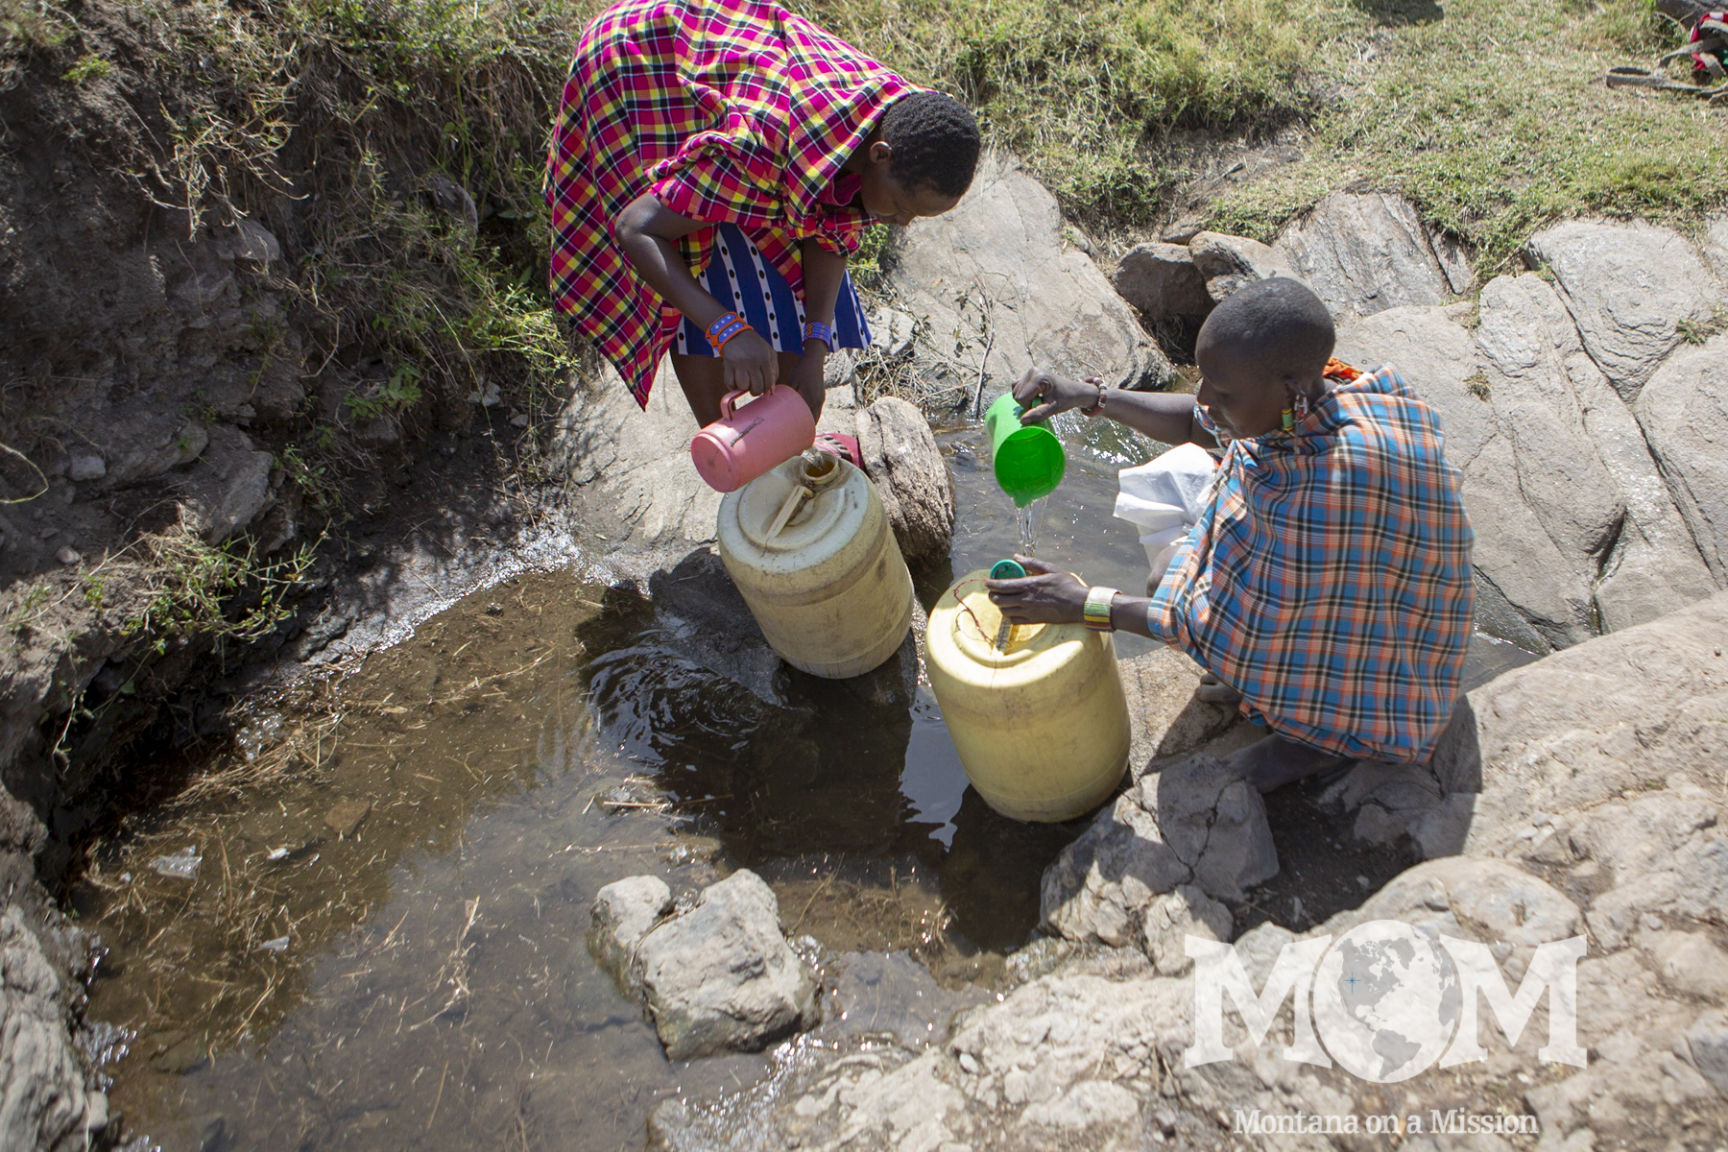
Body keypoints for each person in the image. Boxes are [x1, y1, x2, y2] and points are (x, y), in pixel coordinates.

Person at [987, 277, 1475, 793]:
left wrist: (1081, 603)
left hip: (1378, 677)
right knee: (1169, 479)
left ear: (1286, 389)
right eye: (1201, 378)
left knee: (1164, 582)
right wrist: (1093, 397)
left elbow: (1198, 622)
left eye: (1221, 391)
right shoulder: (1322, 395)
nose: (1202, 397)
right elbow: (1199, 425)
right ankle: (1259, 683)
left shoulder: (1327, 488)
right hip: (1348, 592)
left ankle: (1315, 735)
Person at [545, 0, 980, 431]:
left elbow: (831, 230)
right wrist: (726, 329)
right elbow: (635, 227)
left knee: (777, 269)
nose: (901, 223)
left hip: (732, 73)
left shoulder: (897, 124)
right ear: (879, 156)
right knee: (692, 252)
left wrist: (814, 351)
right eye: (903, 208)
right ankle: (727, 444)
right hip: (637, 63)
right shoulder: (765, 144)